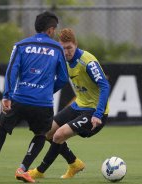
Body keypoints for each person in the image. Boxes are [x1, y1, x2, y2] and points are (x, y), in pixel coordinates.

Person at [0, 11, 68, 183]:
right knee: (40, 135)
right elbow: (64, 78)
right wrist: (46, 90)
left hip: (19, 98)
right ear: (51, 30)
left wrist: (7, 95)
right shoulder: (57, 48)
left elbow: (11, 71)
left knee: (2, 127)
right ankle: (22, 169)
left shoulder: (21, 45)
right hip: (42, 103)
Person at [28, 28, 110, 180]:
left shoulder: (87, 62)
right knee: (46, 131)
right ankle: (74, 163)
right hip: (79, 105)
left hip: (95, 111)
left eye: (69, 48)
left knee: (58, 135)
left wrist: (98, 113)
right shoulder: (62, 60)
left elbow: (104, 85)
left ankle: (39, 171)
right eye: (63, 48)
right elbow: (58, 81)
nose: (66, 52)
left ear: (75, 45)